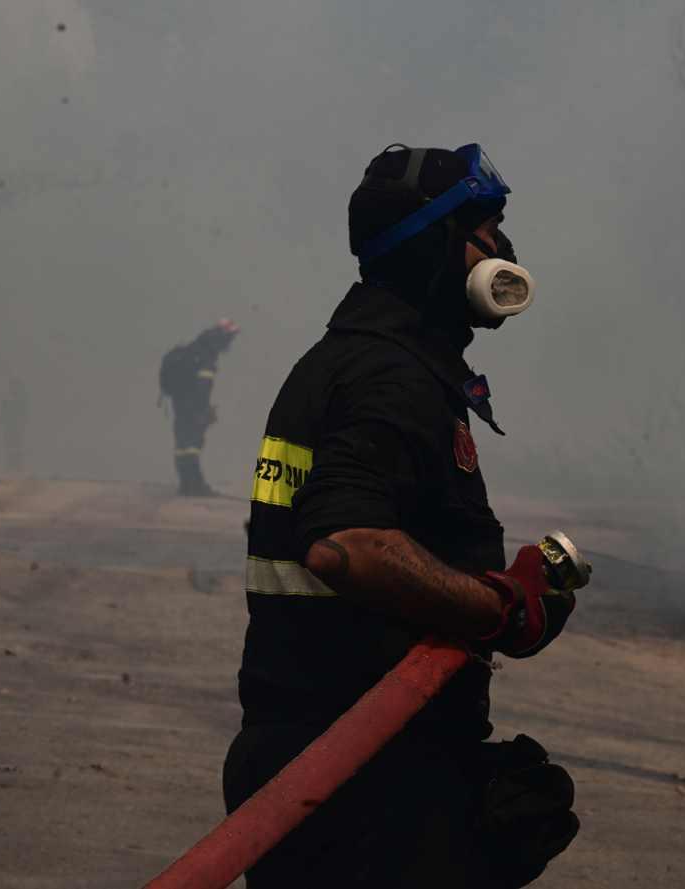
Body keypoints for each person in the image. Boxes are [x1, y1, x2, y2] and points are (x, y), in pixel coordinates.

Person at [225, 144, 578, 888]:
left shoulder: (340, 362)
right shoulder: (394, 379)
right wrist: (500, 609)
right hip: (364, 771)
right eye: (485, 232)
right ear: (435, 245)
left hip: (316, 763)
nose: (503, 251)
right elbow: (345, 544)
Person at [159, 318, 239, 496]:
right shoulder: (207, 353)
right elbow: (204, 384)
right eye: (230, 338)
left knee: (182, 442)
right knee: (193, 442)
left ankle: (185, 482)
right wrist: (203, 409)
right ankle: (194, 483)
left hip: (179, 401)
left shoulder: (194, 347)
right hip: (193, 402)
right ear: (224, 337)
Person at [0, 370, 28, 473]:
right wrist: (2, 418)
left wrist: (21, 421)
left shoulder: (21, 390)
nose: (15, 374)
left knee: (18, 443)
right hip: (8, 422)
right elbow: (4, 405)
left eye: (18, 373)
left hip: (17, 422)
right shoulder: (8, 390)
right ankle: (10, 464)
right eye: (14, 373)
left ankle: (18, 465)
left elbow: (24, 408)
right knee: (8, 443)